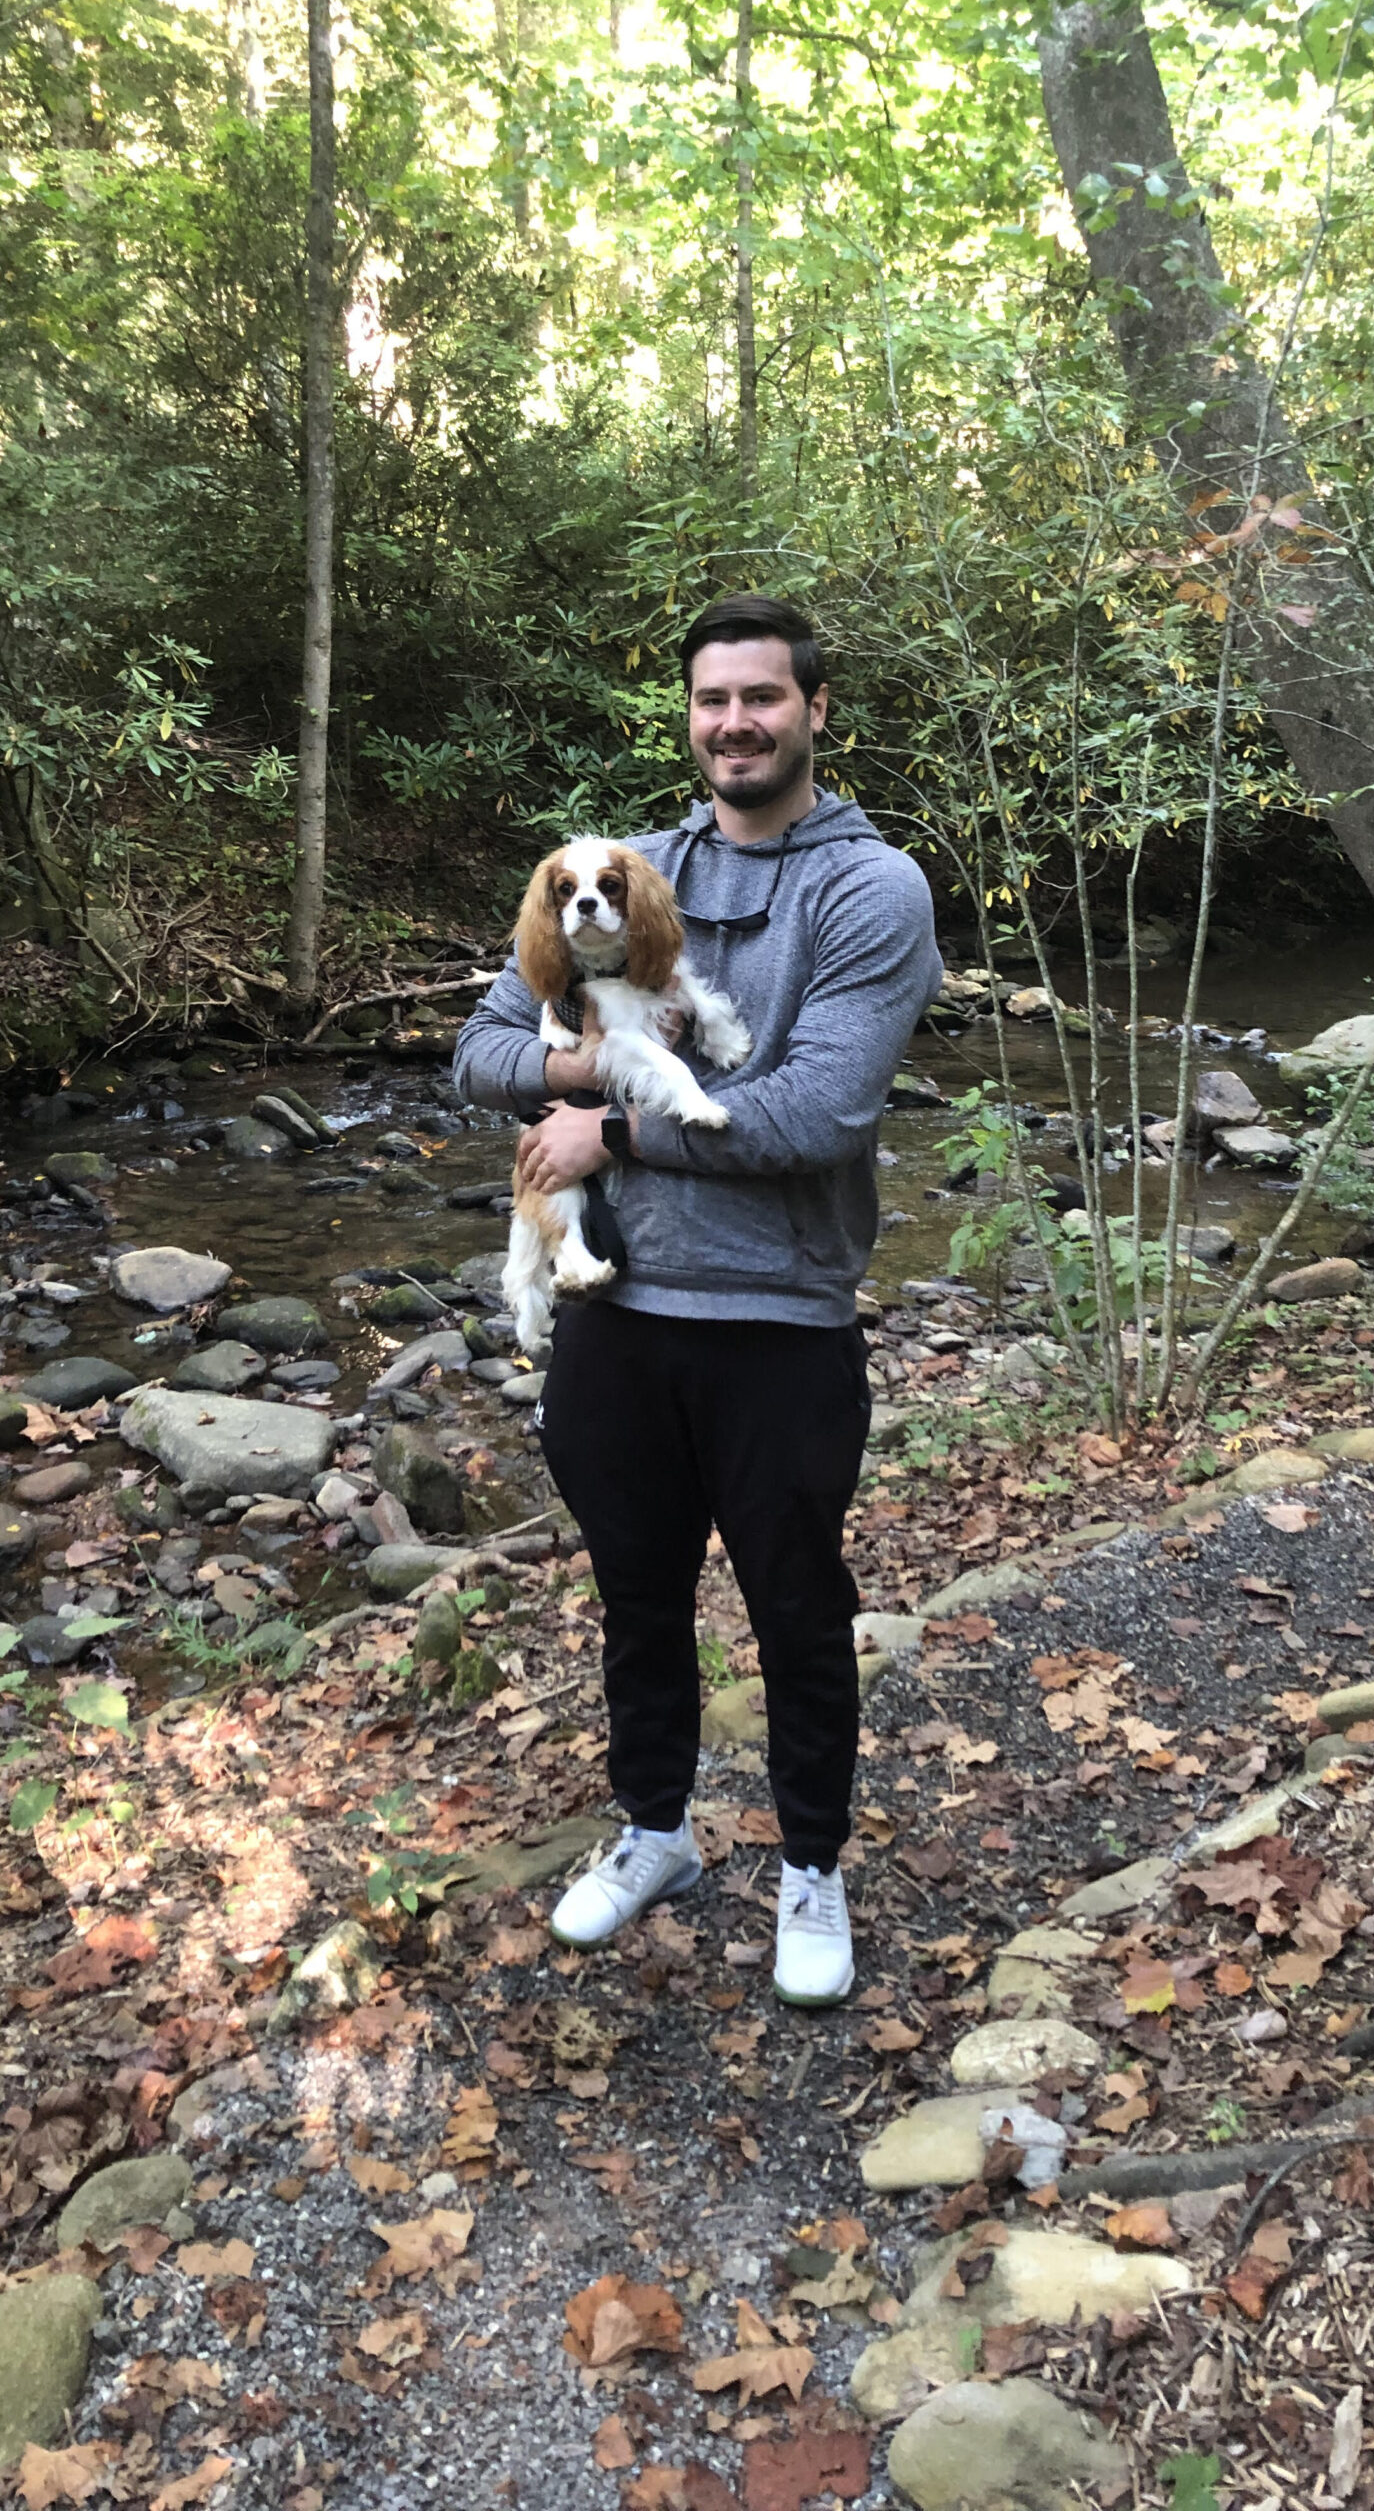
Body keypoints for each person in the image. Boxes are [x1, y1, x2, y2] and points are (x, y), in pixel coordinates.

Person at [453, 594, 942, 2005]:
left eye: (763, 698)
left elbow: (811, 1116)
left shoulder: (868, 891)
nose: (736, 722)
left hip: (780, 1319)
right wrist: (582, 1072)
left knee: (795, 1604)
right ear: (692, 715)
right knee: (637, 1600)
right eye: (713, 699)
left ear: (814, 711)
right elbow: (483, 1053)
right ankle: (657, 1830)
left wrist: (609, 1130)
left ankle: (811, 1867)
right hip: (615, 1323)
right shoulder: (613, 868)